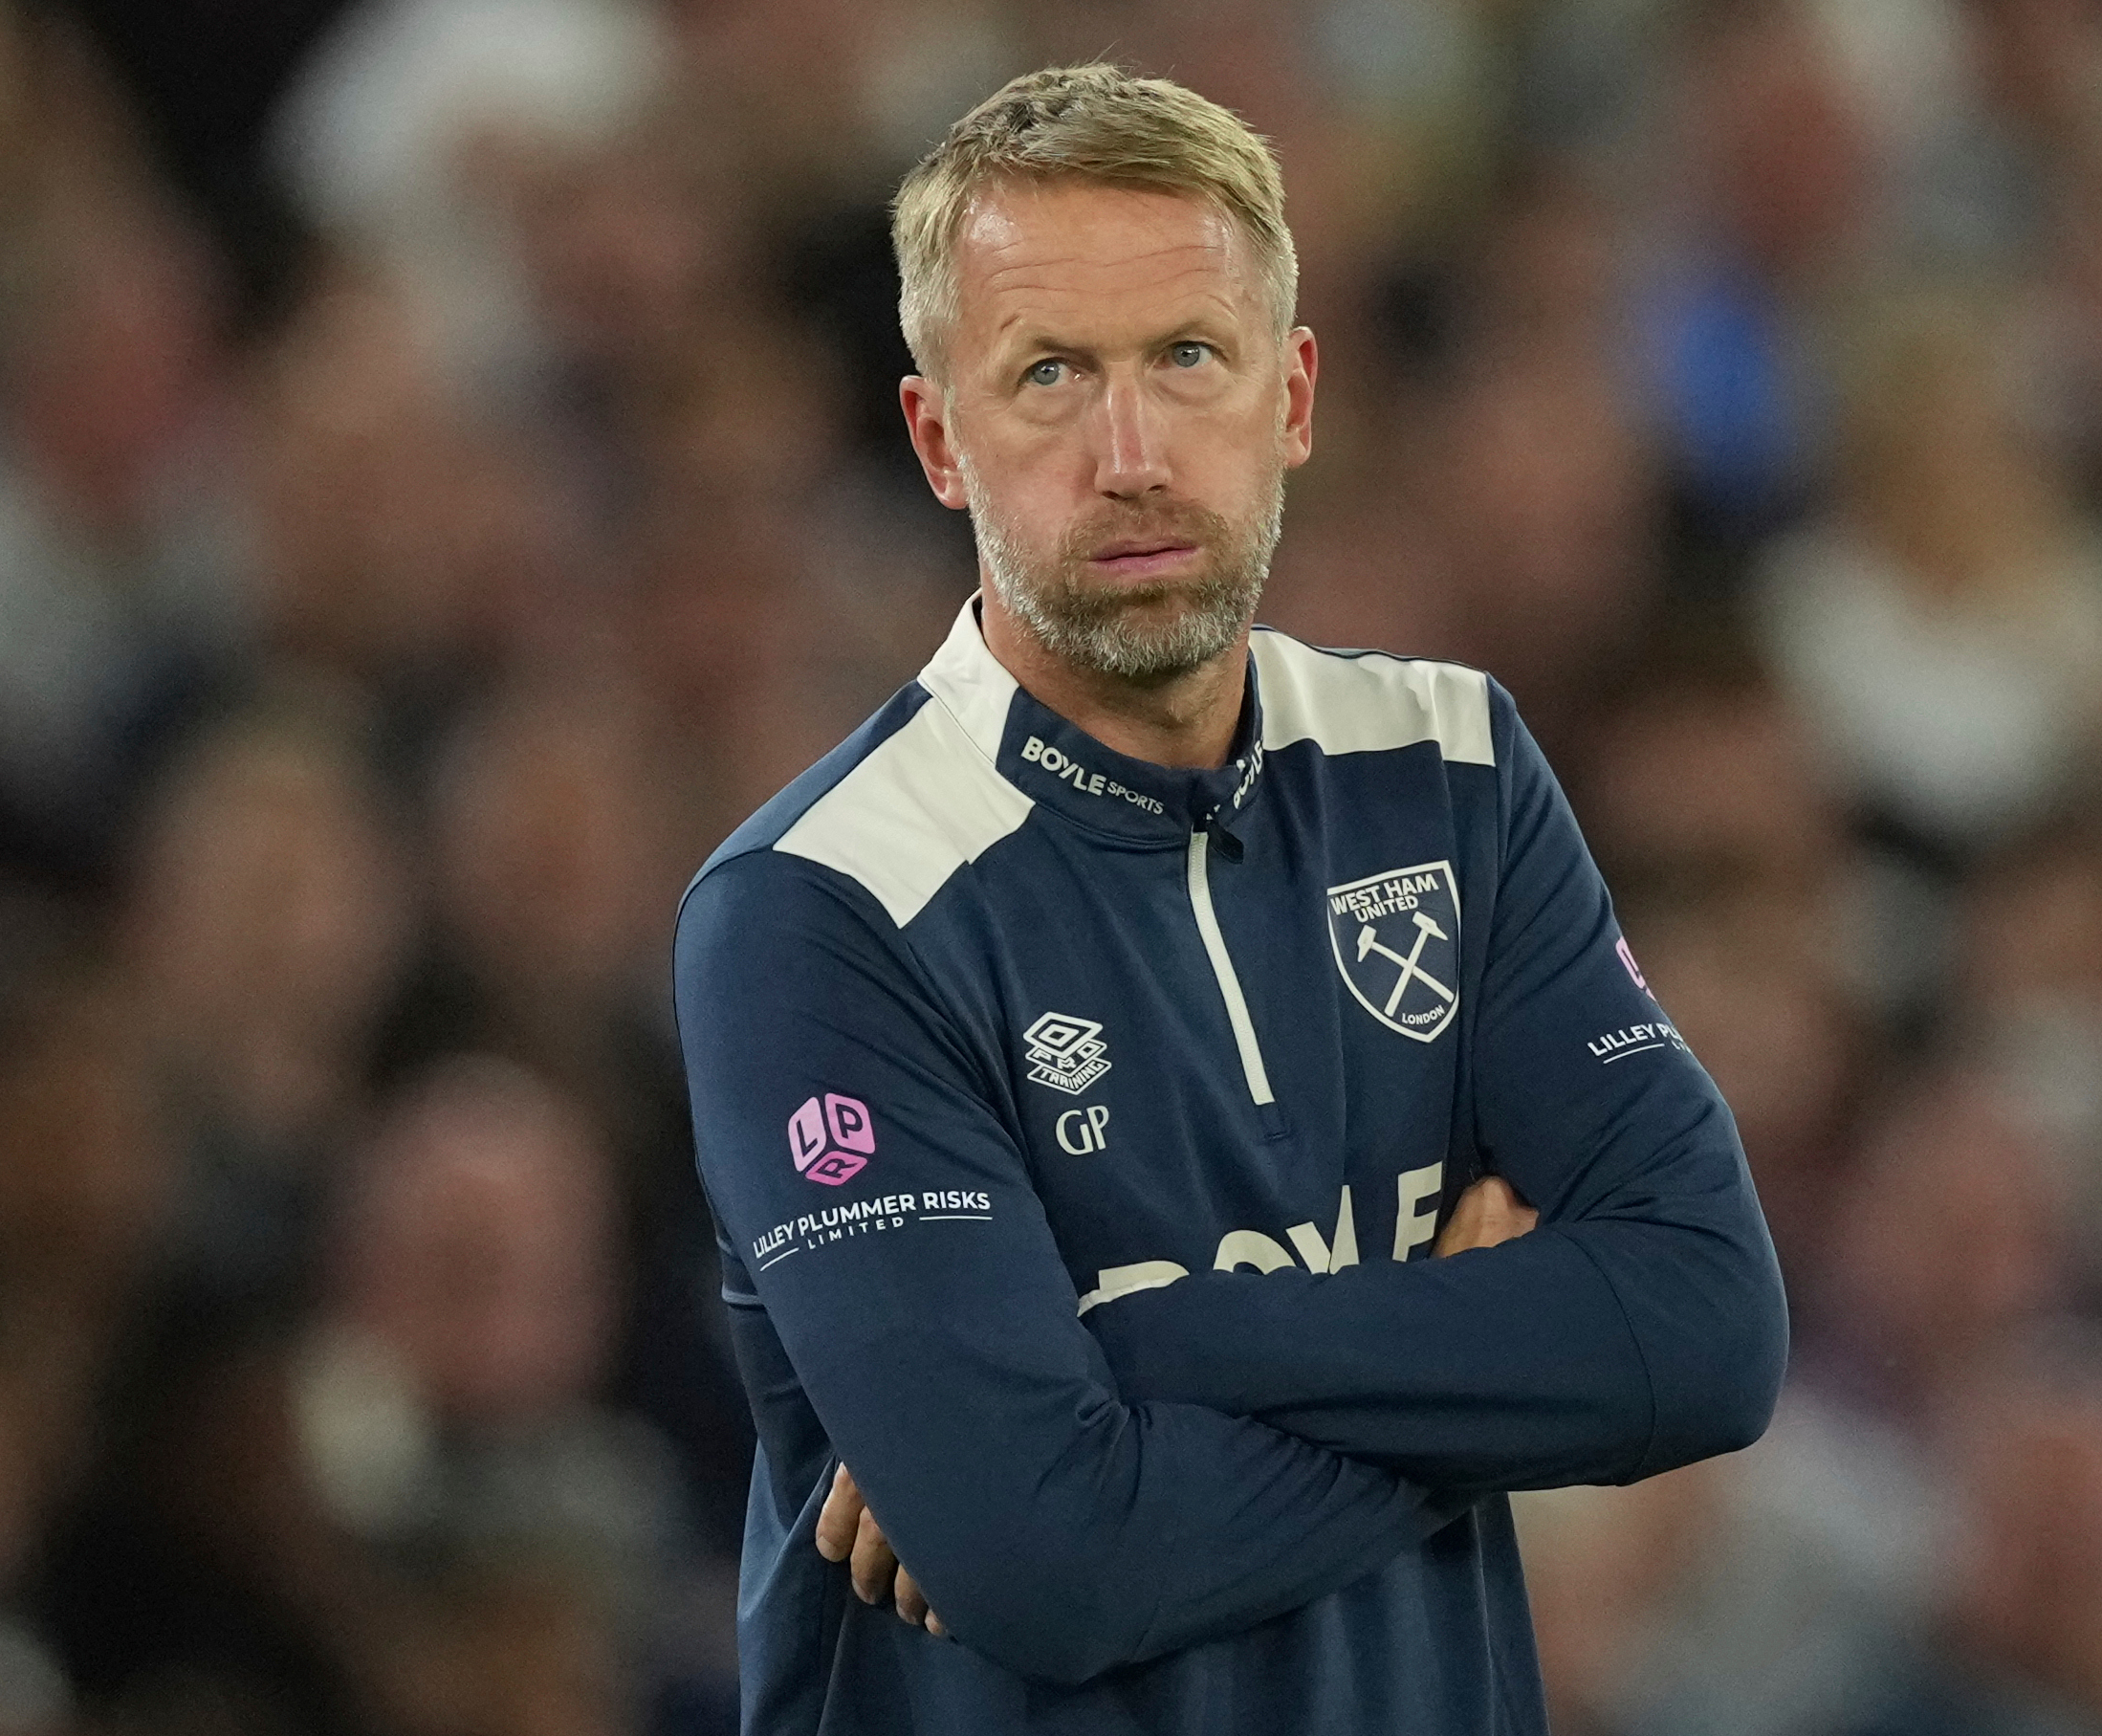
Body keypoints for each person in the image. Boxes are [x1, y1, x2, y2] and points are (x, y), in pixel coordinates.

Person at [671, 64, 1787, 1736]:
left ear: (1291, 396)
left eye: (1187, 357)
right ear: (937, 440)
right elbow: (1050, 1566)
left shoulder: (1450, 763)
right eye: (1048, 373)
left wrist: (1139, 1346)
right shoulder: (817, 907)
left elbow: (1706, 1332)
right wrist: (1487, 1361)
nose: (1129, 455)